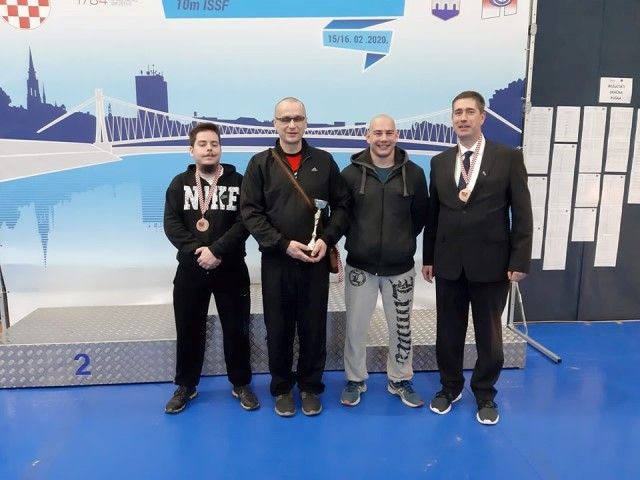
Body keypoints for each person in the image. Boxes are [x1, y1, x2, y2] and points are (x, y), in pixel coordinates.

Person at [422, 91, 533, 425]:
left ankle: (485, 393)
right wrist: (428, 257)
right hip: (449, 263)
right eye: (457, 112)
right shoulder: (440, 162)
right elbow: (433, 214)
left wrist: (520, 259)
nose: (463, 118)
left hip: (492, 263)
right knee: (448, 332)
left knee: (490, 335)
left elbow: (522, 212)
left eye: (470, 112)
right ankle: (450, 387)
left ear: (482, 117)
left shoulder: (508, 157)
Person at [241, 97, 350, 417]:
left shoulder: (325, 161)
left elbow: (343, 206)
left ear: (306, 122)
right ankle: (281, 388)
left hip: (314, 263)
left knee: (313, 328)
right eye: (285, 119)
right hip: (277, 262)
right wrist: (282, 244)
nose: (292, 125)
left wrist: (327, 239)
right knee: (278, 329)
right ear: (274, 123)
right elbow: (250, 212)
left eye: (298, 118)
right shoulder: (260, 164)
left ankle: (310, 387)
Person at [163, 123, 259, 414]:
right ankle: (186, 385)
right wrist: (198, 251)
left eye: (214, 144)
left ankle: (241, 383)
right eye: (202, 144)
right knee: (189, 329)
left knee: (237, 329)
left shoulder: (239, 182)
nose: (209, 149)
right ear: (191, 150)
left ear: (220, 148)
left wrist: (216, 251)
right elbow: (172, 224)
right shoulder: (179, 183)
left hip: (230, 268)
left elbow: (245, 222)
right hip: (191, 269)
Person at [340, 114, 429, 408]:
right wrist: (361, 243)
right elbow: (342, 217)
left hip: (400, 268)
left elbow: (420, 217)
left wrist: (399, 244)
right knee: (355, 328)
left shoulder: (415, 174)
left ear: (396, 136)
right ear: (367, 136)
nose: (383, 138)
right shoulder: (349, 175)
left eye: (389, 133)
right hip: (360, 266)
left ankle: (400, 379)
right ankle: (355, 379)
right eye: (377, 133)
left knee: (401, 327)